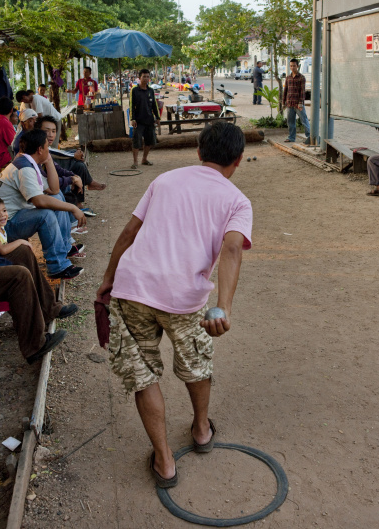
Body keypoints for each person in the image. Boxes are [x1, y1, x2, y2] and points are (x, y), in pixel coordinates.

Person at [97, 122, 252, 487]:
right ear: (239, 161)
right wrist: (224, 307)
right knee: (195, 363)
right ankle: (201, 431)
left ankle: (165, 462)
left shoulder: (164, 180)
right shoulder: (236, 200)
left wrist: (108, 277)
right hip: (184, 300)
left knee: (143, 374)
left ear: (198, 152)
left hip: (132, 288)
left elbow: (129, 231)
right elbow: (232, 249)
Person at [0, 148, 77, 364]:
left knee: (22, 251)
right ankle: (35, 346)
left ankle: (49, 309)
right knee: (19, 275)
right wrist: (2, 261)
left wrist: (5, 254)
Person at [0, 129, 85, 280]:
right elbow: (39, 201)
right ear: (40, 149)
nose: (49, 150)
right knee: (45, 215)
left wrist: (48, 161)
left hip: (14, 217)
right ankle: (57, 266)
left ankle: (64, 248)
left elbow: (53, 189)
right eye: (47, 147)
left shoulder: (28, 162)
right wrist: (73, 207)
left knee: (57, 197)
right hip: (4, 226)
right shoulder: (25, 168)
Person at [0, 195, 32, 318]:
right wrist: (20, 241)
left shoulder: (1, 228)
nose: (3, 215)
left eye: (4, 211)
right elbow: (2, 250)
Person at [130, 69, 161, 170]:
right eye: (144, 76)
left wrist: (157, 117)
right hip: (138, 121)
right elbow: (131, 106)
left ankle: (144, 159)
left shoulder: (151, 90)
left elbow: (154, 106)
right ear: (139, 78)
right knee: (136, 141)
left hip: (149, 120)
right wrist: (132, 119)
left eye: (147, 76)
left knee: (149, 141)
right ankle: (135, 161)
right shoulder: (134, 90)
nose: (146, 78)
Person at [283, 58, 311, 145]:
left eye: (294, 66)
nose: (292, 67)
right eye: (291, 66)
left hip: (298, 104)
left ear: (297, 66)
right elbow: (285, 90)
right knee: (290, 122)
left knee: (304, 120)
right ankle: (291, 137)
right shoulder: (288, 78)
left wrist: (300, 103)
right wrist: (283, 102)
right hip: (289, 103)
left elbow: (302, 91)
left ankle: (310, 136)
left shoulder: (302, 78)